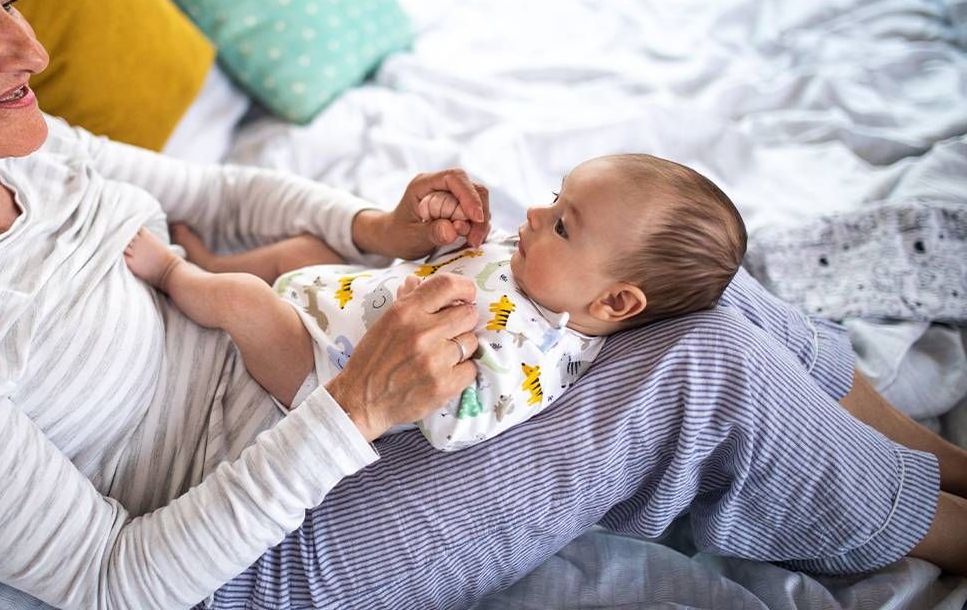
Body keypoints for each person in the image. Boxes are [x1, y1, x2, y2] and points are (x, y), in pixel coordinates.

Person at [0, 0, 965, 610]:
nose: (28, 46)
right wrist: (352, 406)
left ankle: (930, 462)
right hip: (260, 550)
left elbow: (217, 195)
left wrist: (376, 225)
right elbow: (117, 582)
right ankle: (941, 526)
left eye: (8, 0)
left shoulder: (9, 142)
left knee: (678, 269)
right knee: (689, 370)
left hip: (296, 368)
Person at [124, 153, 747, 451]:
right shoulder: (538, 269)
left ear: (614, 302)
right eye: (555, 197)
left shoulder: (532, 355)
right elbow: (448, 260)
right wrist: (446, 237)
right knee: (301, 249)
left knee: (245, 301)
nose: (534, 213)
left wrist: (447, 359)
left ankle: (175, 274)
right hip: (336, 302)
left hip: (322, 372)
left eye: (562, 224)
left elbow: (457, 425)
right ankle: (215, 265)